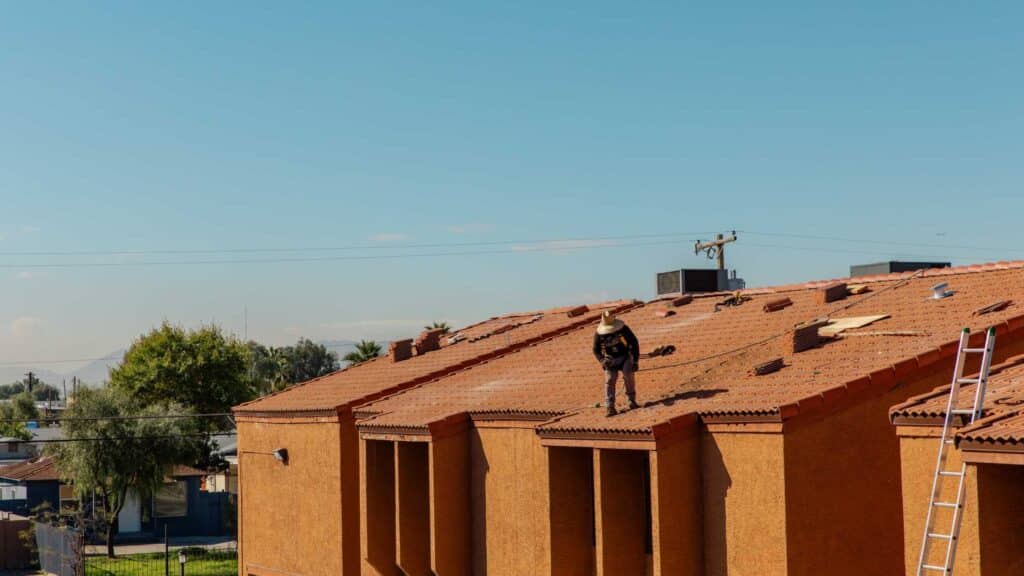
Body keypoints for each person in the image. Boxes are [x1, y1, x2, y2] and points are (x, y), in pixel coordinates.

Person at [592, 311, 640, 416]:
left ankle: (631, 400)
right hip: (610, 360)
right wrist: (602, 361)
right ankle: (610, 406)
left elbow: (634, 342)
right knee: (610, 380)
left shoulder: (623, 329)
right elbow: (596, 350)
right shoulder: (599, 335)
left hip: (625, 357)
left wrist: (635, 361)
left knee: (628, 374)